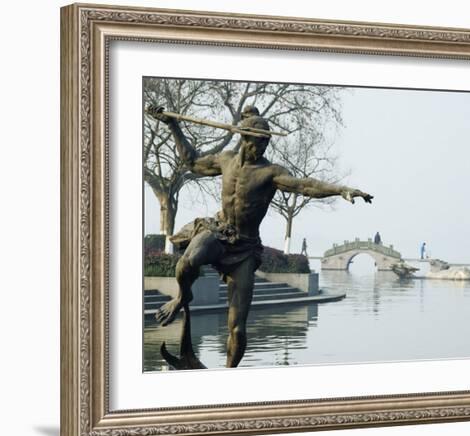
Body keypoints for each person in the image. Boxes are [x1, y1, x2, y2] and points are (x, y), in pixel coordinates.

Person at [148, 105, 373, 369]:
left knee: (238, 329)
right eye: (259, 142)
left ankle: (228, 378)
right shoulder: (226, 159)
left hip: (245, 248)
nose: (263, 148)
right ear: (245, 137)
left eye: (266, 143)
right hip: (219, 232)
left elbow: (306, 185)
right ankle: (183, 296)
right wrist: (172, 126)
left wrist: (340, 189)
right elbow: (192, 162)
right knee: (187, 262)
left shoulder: (271, 173)